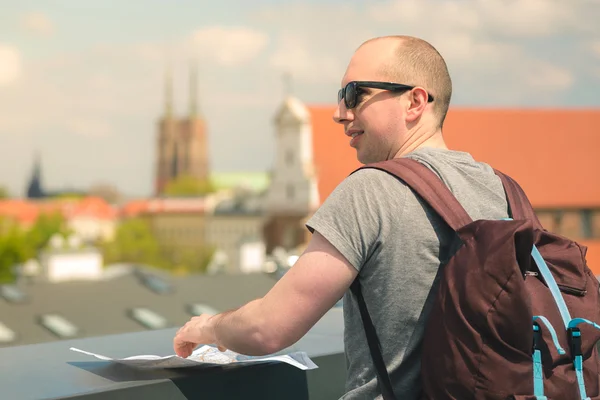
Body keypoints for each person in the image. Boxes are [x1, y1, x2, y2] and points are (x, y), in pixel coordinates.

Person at [173, 35, 509, 399]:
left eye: (355, 94)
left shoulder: (372, 190)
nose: (340, 112)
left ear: (415, 101)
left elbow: (267, 328)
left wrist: (208, 327)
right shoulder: (500, 188)